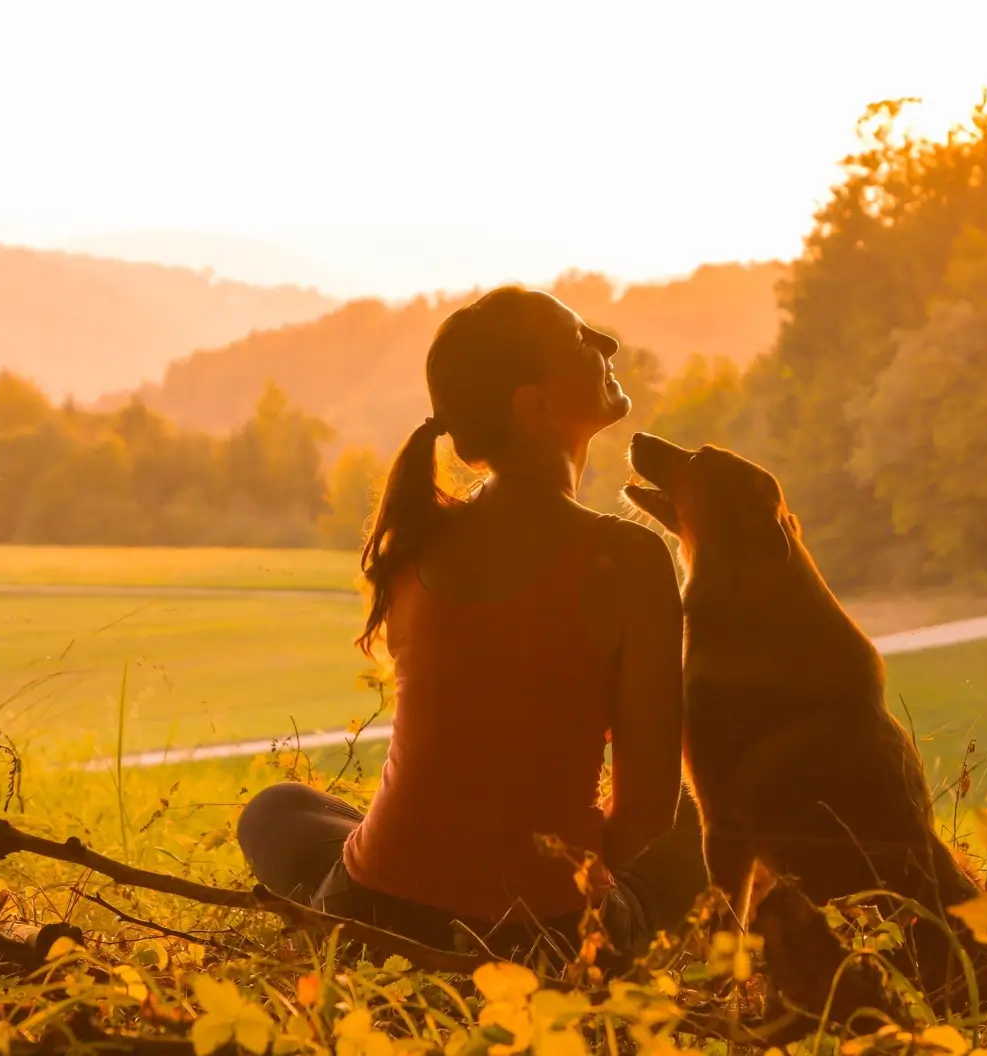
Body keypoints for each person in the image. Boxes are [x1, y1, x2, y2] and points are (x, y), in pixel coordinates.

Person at [235, 286, 685, 962]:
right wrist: (573, 904)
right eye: (579, 341)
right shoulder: (627, 557)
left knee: (276, 810)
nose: (607, 346)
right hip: (543, 935)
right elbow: (649, 811)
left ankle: (370, 908)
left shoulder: (420, 539)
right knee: (707, 823)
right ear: (533, 406)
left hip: (372, 911)